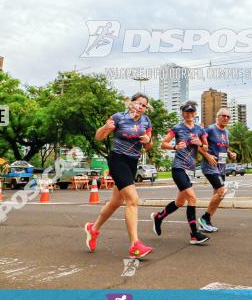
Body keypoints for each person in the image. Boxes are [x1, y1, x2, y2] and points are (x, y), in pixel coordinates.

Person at [85, 93, 154, 259]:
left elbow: (149, 146)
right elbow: (98, 136)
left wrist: (147, 140)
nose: (141, 107)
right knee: (132, 200)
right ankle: (135, 246)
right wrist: (106, 128)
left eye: (144, 105)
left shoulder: (146, 122)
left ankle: (93, 229)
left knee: (115, 202)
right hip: (117, 160)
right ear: (131, 103)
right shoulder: (118, 117)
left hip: (132, 162)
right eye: (138, 103)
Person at [152, 101, 211, 245]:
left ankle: (159, 217)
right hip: (178, 168)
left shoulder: (200, 130)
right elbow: (163, 143)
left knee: (179, 202)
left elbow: (206, 147)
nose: (189, 114)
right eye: (187, 112)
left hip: (191, 169)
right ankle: (194, 234)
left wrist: (200, 144)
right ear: (183, 114)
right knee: (192, 198)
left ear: (195, 114)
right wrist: (175, 146)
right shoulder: (177, 128)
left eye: (192, 112)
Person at [199, 107, 237, 232]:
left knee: (218, 195)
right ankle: (204, 218)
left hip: (222, 167)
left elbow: (223, 148)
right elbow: (198, 146)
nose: (226, 118)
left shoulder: (226, 132)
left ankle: (206, 222)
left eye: (228, 116)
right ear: (218, 116)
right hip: (210, 166)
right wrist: (208, 156)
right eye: (223, 115)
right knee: (222, 191)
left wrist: (230, 153)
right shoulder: (210, 129)